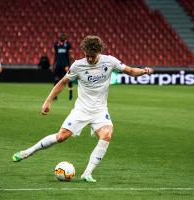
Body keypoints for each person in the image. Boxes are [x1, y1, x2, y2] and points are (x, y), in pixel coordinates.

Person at [12, 35, 154, 183]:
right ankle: (27, 152)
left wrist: (144, 71)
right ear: (83, 52)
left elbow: (130, 70)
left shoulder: (110, 61)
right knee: (61, 137)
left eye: (93, 56)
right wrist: (48, 101)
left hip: (100, 111)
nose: (90, 59)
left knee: (106, 135)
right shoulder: (78, 65)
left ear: (99, 51)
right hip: (81, 110)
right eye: (87, 56)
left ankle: (87, 173)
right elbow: (62, 82)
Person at [53, 32, 73, 100]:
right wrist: (54, 64)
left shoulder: (67, 44)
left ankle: (70, 94)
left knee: (68, 79)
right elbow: (55, 55)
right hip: (58, 64)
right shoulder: (56, 44)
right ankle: (55, 95)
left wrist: (69, 64)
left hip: (65, 65)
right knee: (56, 79)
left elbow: (69, 55)